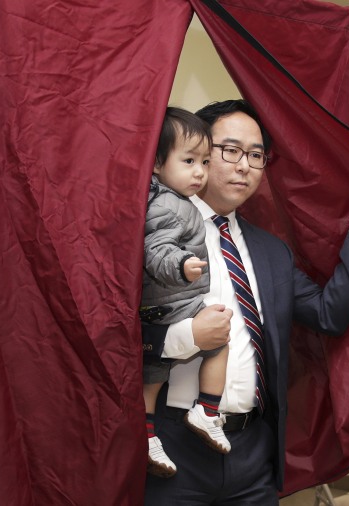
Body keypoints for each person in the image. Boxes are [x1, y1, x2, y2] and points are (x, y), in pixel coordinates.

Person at [142, 100, 349, 504]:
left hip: (253, 451)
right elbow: (108, 329)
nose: (244, 166)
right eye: (231, 150)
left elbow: (329, 313)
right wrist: (184, 337)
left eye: (256, 155)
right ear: (198, 152)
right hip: (170, 446)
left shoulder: (271, 250)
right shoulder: (152, 230)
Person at [141, 107, 232, 479]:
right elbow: (155, 250)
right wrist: (181, 265)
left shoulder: (170, 200)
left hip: (163, 302)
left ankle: (145, 433)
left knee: (152, 376)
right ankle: (208, 410)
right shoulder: (169, 205)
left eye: (205, 162)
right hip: (173, 299)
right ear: (158, 163)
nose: (200, 171)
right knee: (219, 340)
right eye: (190, 160)